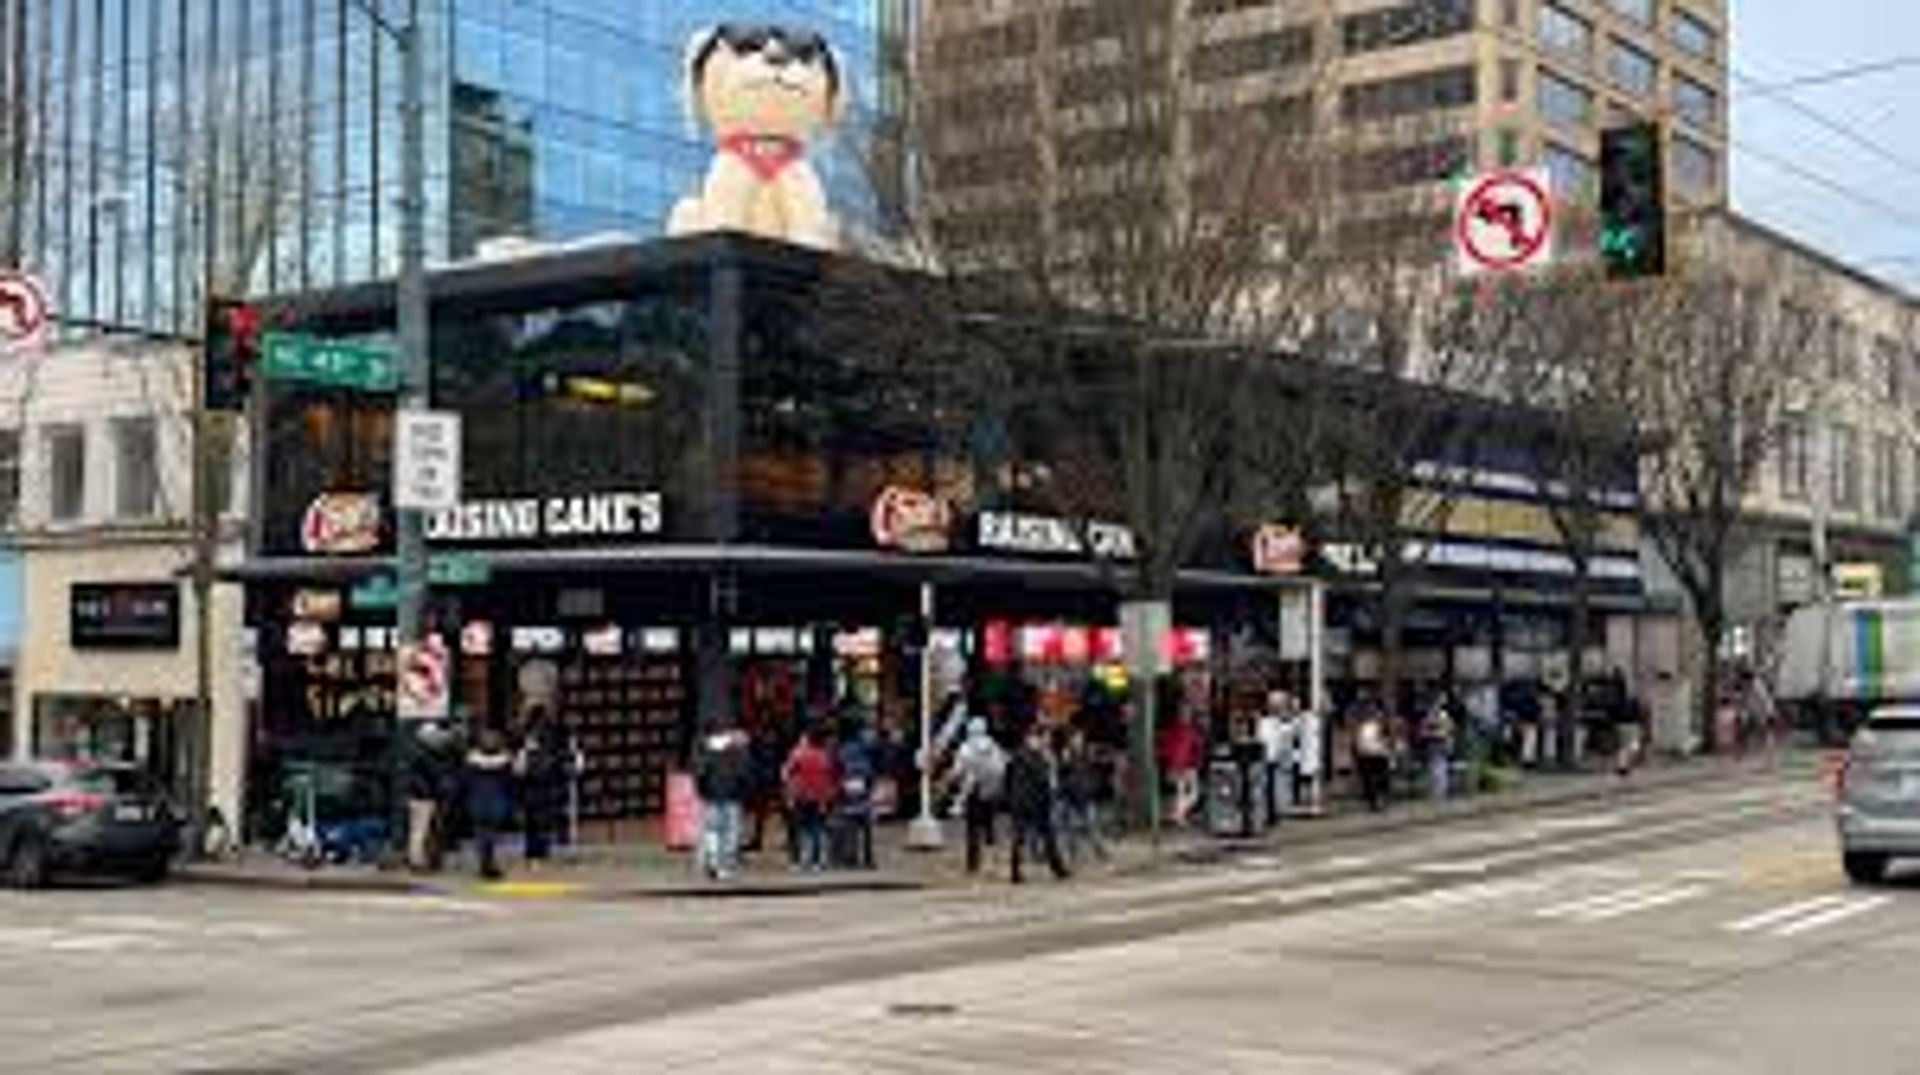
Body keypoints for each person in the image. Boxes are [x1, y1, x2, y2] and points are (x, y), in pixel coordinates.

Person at [1005, 725, 1070, 884]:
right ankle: (1017, 871)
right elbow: (1041, 776)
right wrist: (1049, 762)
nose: (1046, 741)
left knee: (1041, 836)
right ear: (1032, 738)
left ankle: (1056, 868)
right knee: (1025, 837)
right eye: (1044, 738)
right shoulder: (1028, 756)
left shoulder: (1024, 755)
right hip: (1029, 801)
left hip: (1033, 801)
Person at [949, 718, 1007, 876]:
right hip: (991, 790)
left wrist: (953, 780)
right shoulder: (993, 746)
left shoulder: (966, 747)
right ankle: (991, 861)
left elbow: (957, 770)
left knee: (973, 828)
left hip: (972, 790)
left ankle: (973, 863)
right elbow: (1001, 768)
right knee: (989, 826)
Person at [515, 708, 567, 869]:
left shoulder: (527, 739)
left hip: (532, 787)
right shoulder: (552, 738)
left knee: (532, 822)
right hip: (545, 786)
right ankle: (540, 852)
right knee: (542, 821)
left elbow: (520, 767)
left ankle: (533, 853)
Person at [782, 727, 837, 872]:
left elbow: (786, 774)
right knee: (818, 828)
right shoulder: (824, 756)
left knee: (802, 829)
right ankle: (819, 861)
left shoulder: (798, 754)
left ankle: (803, 860)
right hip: (819, 797)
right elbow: (830, 777)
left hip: (802, 795)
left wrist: (790, 794)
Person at [464, 729, 515, 881]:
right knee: (491, 833)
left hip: (478, 800)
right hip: (495, 800)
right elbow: (510, 782)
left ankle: (485, 862)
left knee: (481, 833)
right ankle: (488, 863)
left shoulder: (471, 760)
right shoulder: (505, 761)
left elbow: (466, 781)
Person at [405, 720, 455, 872]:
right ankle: (417, 860)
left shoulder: (419, 753)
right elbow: (434, 775)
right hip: (424, 796)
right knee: (421, 829)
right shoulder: (425, 756)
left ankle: (421, 858)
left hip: (421, 795)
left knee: (421, 829)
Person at [1056, 726, 1109, 866]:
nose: (1079, 740)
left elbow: (1095, 769)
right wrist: (1065, 762)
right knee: (1072, 829)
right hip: (1071, 797)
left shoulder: (1087, 753)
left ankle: (1099, 851)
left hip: (1086, 795)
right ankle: (1073, 855)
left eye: (1080, 737)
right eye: (1076, 738)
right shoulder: (1066, 754)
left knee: (1092, 826)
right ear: (1070, 740)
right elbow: (1061, 773)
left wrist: (1094, 785)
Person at [834, 723, 878, 869]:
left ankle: (851, 857)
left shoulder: (840, 750)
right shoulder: (865, 748)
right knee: (866, 827)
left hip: (847, 785)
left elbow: (836, 768)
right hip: (863, 786)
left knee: (849, 824)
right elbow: (872, 765)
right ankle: (868, 857)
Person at [1256, 692, 1297, 822]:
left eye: (1280, 704)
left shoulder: (1287, 723)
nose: (1276, 708)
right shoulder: (1265, 722)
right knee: (1266, 785)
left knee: (1279, 784)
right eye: (1274, 704)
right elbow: (1263, 738)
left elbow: (1289, 736)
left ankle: (1277, 810)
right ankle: (1269, 812)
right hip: (1268, 757)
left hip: (1279, 758)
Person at [1159, 711, 1204, 827]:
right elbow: (1198, 748)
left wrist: (1168, 764)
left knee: (1181, 793)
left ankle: (1177, 815)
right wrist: (1197, 763)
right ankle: (1178, 815)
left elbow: (1165, 749)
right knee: (1192, 793)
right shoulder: (1192, 731)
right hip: (1187, 766)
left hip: (1176, 766)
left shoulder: (1172, 730)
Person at [1354, 706, 1391, 813]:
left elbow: (1386, 740)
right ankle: (1375, 801)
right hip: (1371, 754)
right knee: (1373, 779)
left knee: (1376, 779)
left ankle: (1377, 800)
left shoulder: (1367, 727)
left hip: (1375, 754)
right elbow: (1358, 741)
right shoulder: (1364, 727)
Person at [1421, 697, 1457, 801]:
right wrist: (1431, 733)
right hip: (1433, 746)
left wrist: (1434, 733)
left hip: (1442, 746)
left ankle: (1441, 793)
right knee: (1434, 770)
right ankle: (1437, 793)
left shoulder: (1444, 716)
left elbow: (1447, 731)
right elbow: (1423, 731)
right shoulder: (1429, 717)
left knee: (1441, 770)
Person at [1294, 700, 1324, 814]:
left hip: (1309, 754)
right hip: (1306, 754)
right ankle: (1311, 803)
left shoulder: (1306, 719)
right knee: (1308, 780)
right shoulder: (1308, 719)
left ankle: (1312, 803)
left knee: (1310, 780)